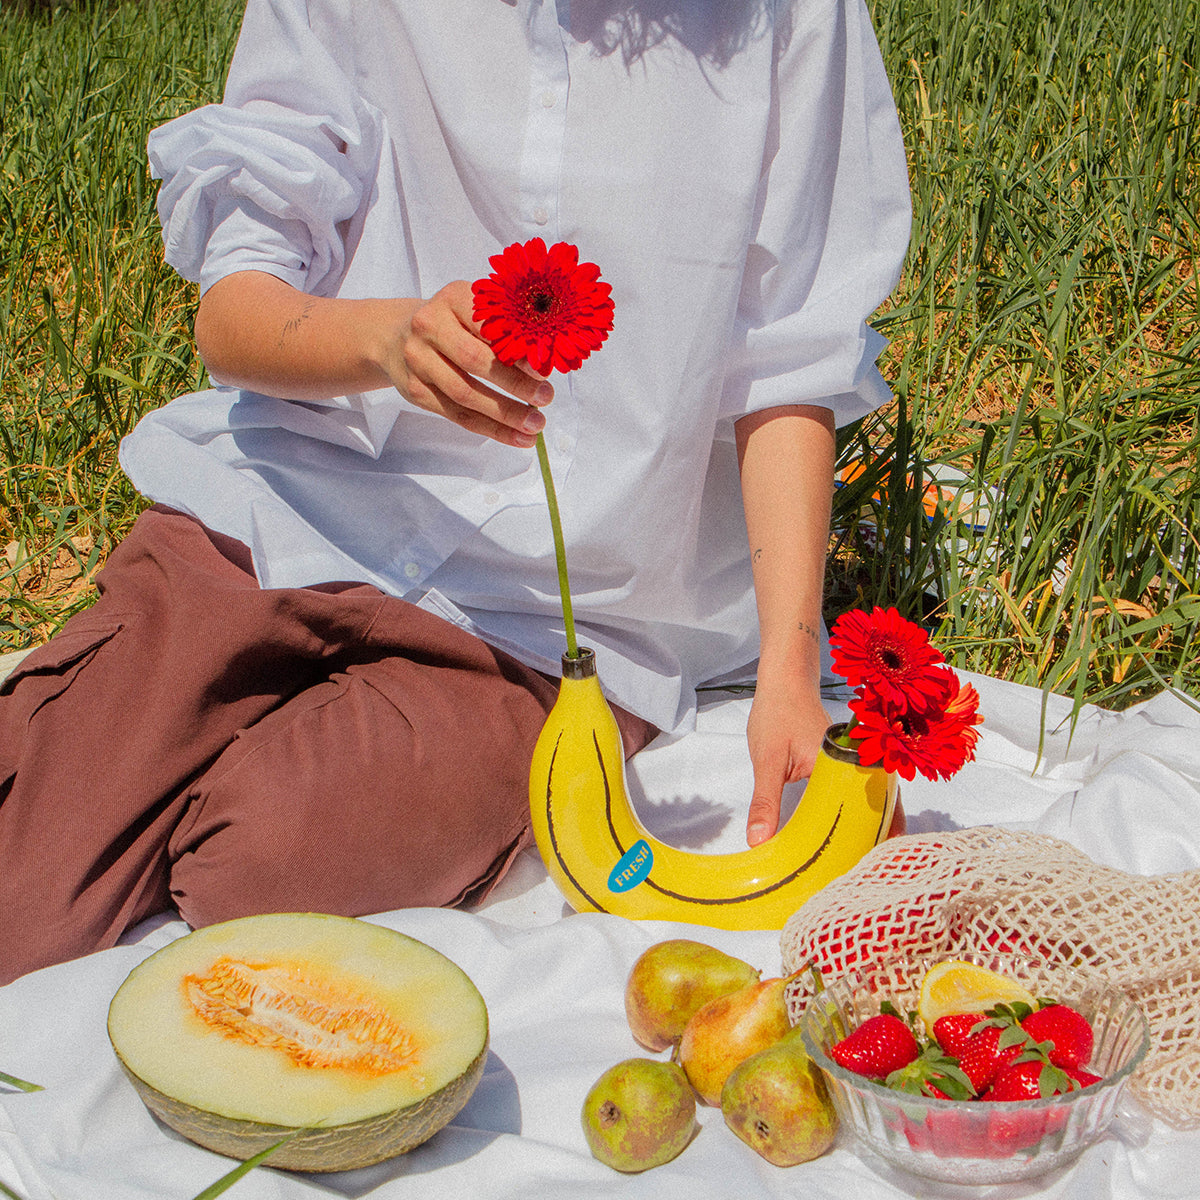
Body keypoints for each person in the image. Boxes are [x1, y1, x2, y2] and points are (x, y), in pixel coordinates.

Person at [0, 0, 911, 985]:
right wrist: (382, 343)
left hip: (551, 616)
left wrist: (789, 664)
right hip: (286, 510)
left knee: (260, 869)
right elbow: (233, 316)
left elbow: (786, 367)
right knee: (22, 886)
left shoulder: (789, 18)